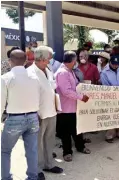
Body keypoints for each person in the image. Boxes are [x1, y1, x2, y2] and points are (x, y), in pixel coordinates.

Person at [1, 49, 41, 180]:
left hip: (15, 119)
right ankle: (32, 177)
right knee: (32, 151)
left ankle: (6, 178)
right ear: (25, 61)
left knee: (5, 151)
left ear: (10, 62)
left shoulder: (6, 78)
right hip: (33, 117)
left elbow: (1, 102)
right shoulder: (34, 77)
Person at [27, 46, 63, 179]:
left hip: (51, 111)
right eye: (49, 58)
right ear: (42, 59)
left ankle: (49, 164)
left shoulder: (48, 69)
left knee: (49, 140)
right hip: (38, 114)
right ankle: (36, 169)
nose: (50, 60)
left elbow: (52, 88)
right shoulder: (30, 73)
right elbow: (29, 96)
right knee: (37, 143)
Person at [55, 51, 91, 162]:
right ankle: (67, 152)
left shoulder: (70, 71)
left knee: (77, 129)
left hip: (74, 107)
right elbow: (66, 91)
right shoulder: (62, 73)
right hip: (65, 108)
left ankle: (80, 147)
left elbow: (75, 86)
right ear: (73, 61)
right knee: (66, 132)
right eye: (75, 60)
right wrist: (81, 97)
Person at [100, 55, 119, 143]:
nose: (115, 66)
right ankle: (110, 135)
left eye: (117, 64)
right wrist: (114, 93)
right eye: (113, 64)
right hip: (110, 97)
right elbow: (105, 86)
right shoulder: (104, 72)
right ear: (110, 62)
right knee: (111, 117)